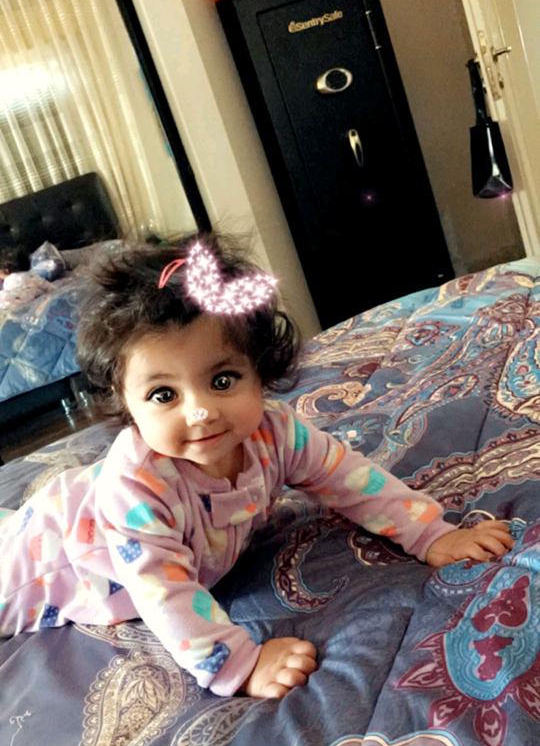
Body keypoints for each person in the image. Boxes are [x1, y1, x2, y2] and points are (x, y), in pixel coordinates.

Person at [0, 234, 514, 699]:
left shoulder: (276, 433)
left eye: (222, 381)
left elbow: (351, 479)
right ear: (127, 404)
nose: (200, 412)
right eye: (163, 395)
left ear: (260, 371)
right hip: (45, 558)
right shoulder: (137, 489)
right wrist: (239, 665)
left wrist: (429, 533)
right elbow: (164, 594)